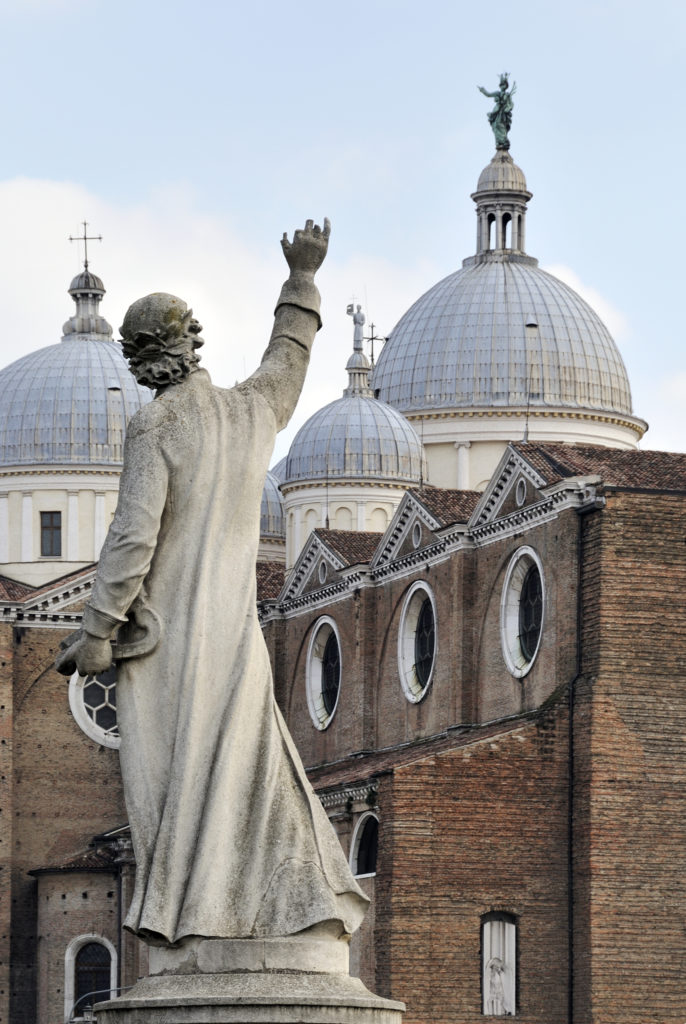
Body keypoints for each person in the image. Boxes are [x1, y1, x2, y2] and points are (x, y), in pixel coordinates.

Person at [57, 219, 368, 947]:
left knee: (177, 786)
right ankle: (272, 908)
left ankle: (192, 917)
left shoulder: (157, 426)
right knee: (247, 769)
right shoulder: (248, 410)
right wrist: (301, 280)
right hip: (235, 633)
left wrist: (98, 632)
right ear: (191, 343)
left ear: (140, 358)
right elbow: (286, 361)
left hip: (169, 646)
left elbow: (133, 539)